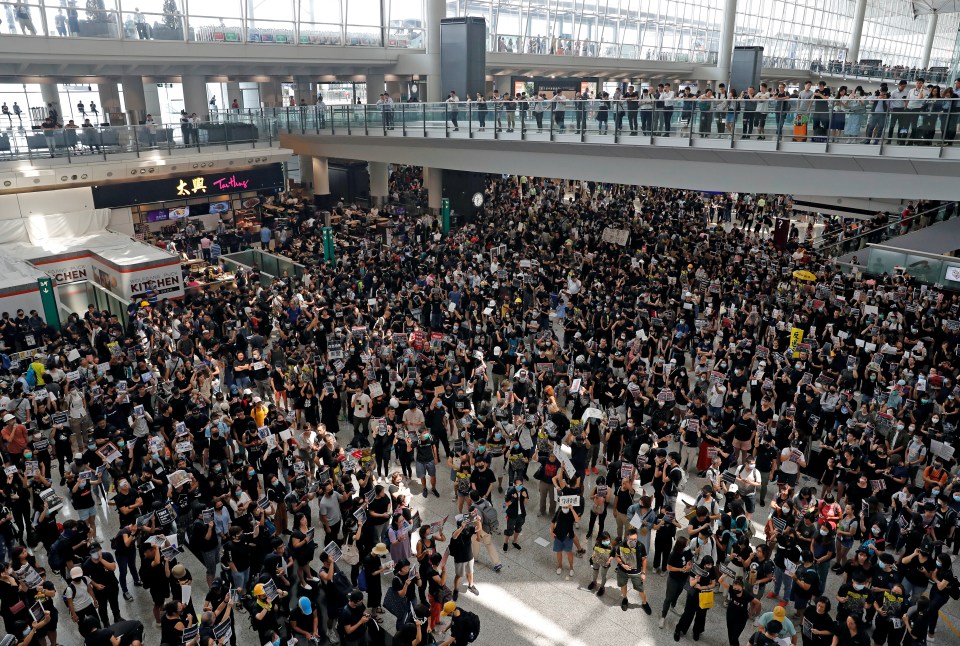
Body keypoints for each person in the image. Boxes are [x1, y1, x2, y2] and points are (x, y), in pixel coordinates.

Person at [614, 527, 653, 614]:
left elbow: (644, 560)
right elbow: (617, 556)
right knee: (623, 585)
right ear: (627, 537)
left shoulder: (640, 546)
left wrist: (643, 573)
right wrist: (622, 565)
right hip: (623, 571)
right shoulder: (621, 545)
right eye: (631, 539)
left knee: (641, 589)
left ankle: (644, 603)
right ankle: (625, 599)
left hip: (636, 572)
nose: (633, 541)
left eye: (635, 539)